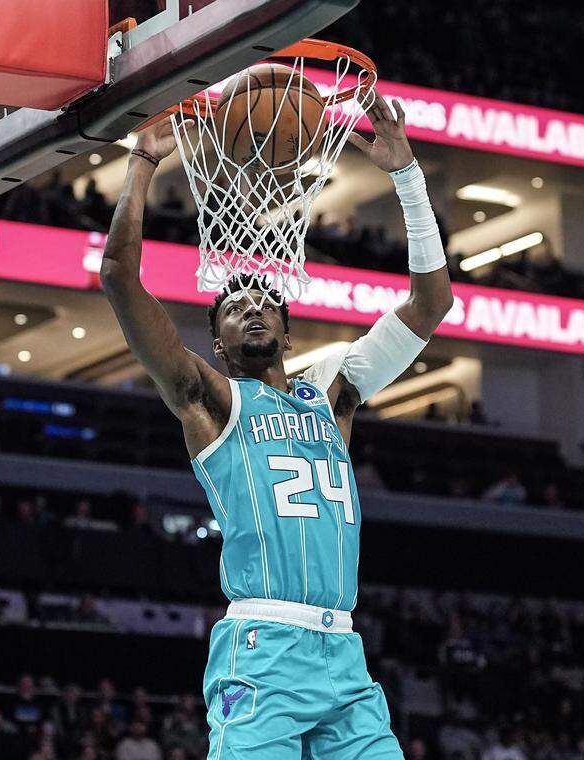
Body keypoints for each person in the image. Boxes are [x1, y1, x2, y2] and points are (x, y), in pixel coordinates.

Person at [100, 91, 452, 759]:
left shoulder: (336, 395)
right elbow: (118, 275)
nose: (253, 308)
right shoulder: (212, 401)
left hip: (344, 656)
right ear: (219, 342)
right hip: (263, 649)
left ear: (289, 330)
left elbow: (432, 302)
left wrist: (406, 174)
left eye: (266, 300)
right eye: (235, 306)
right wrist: (143, 162)